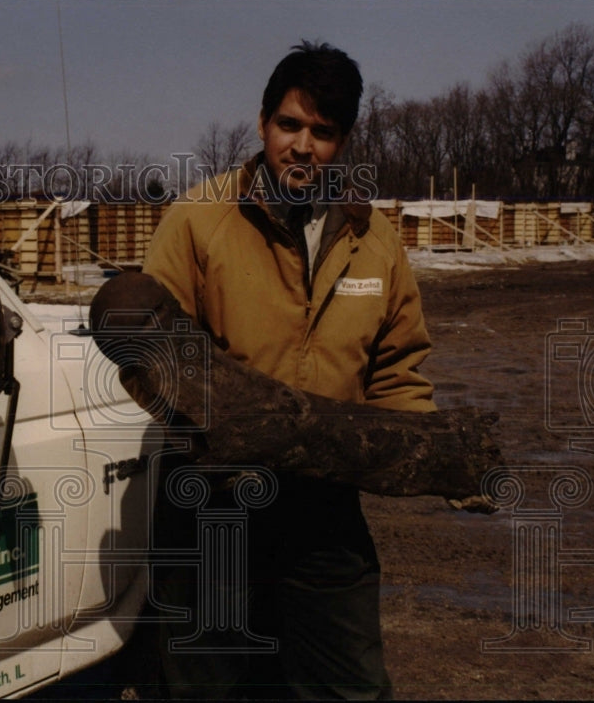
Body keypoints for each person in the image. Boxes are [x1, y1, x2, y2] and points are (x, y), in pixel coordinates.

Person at [140, 41, 436, 699]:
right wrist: (215, 423)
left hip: (324, 504)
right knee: (207, 685)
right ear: (262, 122)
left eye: (322, 132)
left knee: (351, 684)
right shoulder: (199, 218)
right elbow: (149, 357)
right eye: (290, 125)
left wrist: (428, 448)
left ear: (343, 140)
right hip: (214, 500)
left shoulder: (373, 236)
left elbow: (398, 366)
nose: (303, 146)